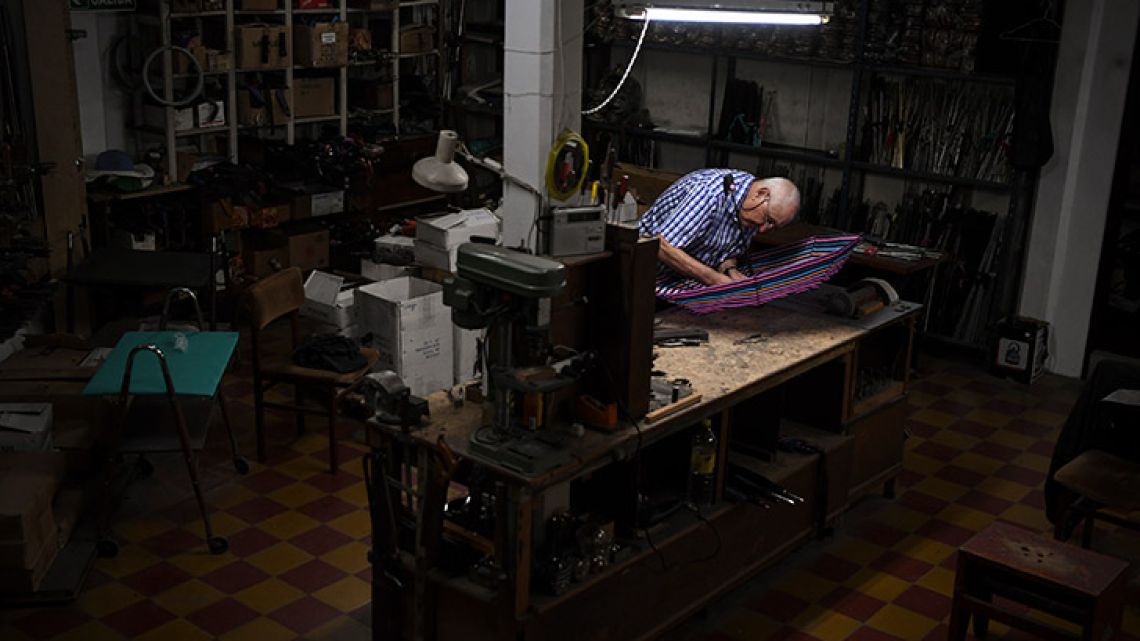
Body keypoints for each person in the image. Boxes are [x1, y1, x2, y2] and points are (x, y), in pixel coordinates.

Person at [639, 168, 800, 285]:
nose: (763, 229)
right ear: (760, 194)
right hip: (645, 275)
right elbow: (662, 246)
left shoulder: (750, 205)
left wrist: (729, 270)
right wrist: (713, 279)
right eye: (768, 219)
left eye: (773, 226)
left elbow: (724, 250)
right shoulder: (708, 193)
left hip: (682, 281)